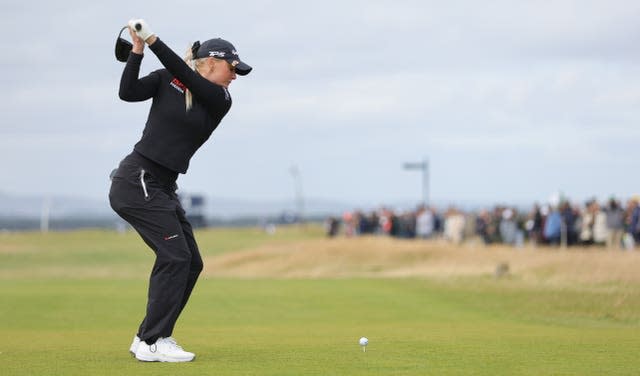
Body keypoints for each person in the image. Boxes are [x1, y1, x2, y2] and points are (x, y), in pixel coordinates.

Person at [109, 19, 252, 362]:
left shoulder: (219, 98)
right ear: (213, 63)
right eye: (232, 68)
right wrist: (139, 51)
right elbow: (127, 93)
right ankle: (151, 341)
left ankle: (152, 335)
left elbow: (187, 77)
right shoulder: (165, 79)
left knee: (191, 262)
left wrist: (154, 40)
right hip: (137, 179)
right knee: (175, 256)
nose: (235, 76)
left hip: (161, 186)